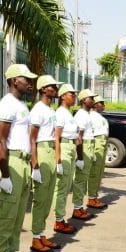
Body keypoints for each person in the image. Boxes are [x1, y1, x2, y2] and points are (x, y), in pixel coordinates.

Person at [0, 64, 38, 252]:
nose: (29, 82)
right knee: (8, 214)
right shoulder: (7, 104)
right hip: (11, 161)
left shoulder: (20, 104)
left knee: (19, 212)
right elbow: (0, 140)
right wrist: (4, 175)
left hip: (22, 161)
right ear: (13, 81)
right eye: (25, 78)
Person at [29, 75, 62, 252]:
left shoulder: (50, 110)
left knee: (48, 196)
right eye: (52, 86)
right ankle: (35, 238)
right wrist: (34, 165)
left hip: (49, 150)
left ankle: (41, 234)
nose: (55, 88)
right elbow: (32, 139)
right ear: (43, 89)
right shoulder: (38, 110)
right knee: (40, 198)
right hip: (41, 151)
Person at [52, 83, 79, 234]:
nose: (74, 96)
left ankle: (60, 218)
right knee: (61, 186)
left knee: (66, 184)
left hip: (71, 148)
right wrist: (58, 160)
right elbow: (56, 138)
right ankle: (59, 220)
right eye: (71, 94)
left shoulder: (68, 113)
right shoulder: (60, 113)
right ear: (63, 96)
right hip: (64, 147)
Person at [71, 88, 98, 220]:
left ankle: (79, 206)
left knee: (84, 179)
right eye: (90, 98)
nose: (93, 100)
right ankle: (77, 208)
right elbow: (79, 137)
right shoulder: (81, 115)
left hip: (88, 146)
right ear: (83, 100)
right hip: (84, 147)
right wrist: (80, 157)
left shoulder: (87, 114)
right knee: (80, 180)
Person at [87, 95, 109, 209]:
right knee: (95, 173)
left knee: (99, 172)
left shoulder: (98, 116)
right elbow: (90, 133)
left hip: (103, 143)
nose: (103, 105)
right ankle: (91, 198)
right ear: (95, 104)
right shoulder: (91, 116)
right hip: (97, 143)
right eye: (101, 103)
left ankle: (94, 196)